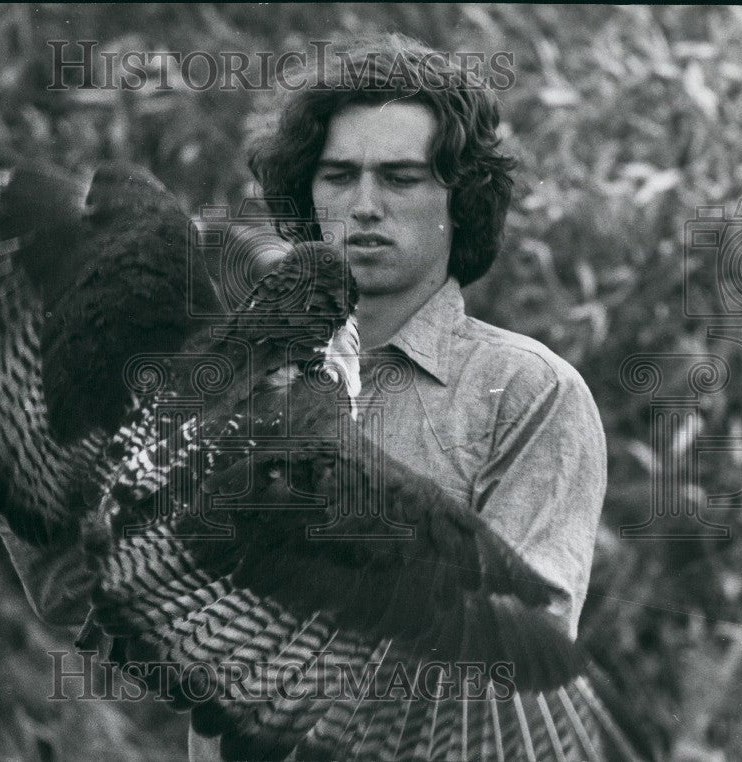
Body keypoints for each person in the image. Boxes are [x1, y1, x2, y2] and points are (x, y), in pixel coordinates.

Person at [188, 31, 607, 761]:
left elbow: (505, 673)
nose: (366, 205)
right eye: (339, 175)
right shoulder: (237, 382)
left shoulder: (528, 393)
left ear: (460, 198)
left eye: (402, 178)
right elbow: (124, 612)